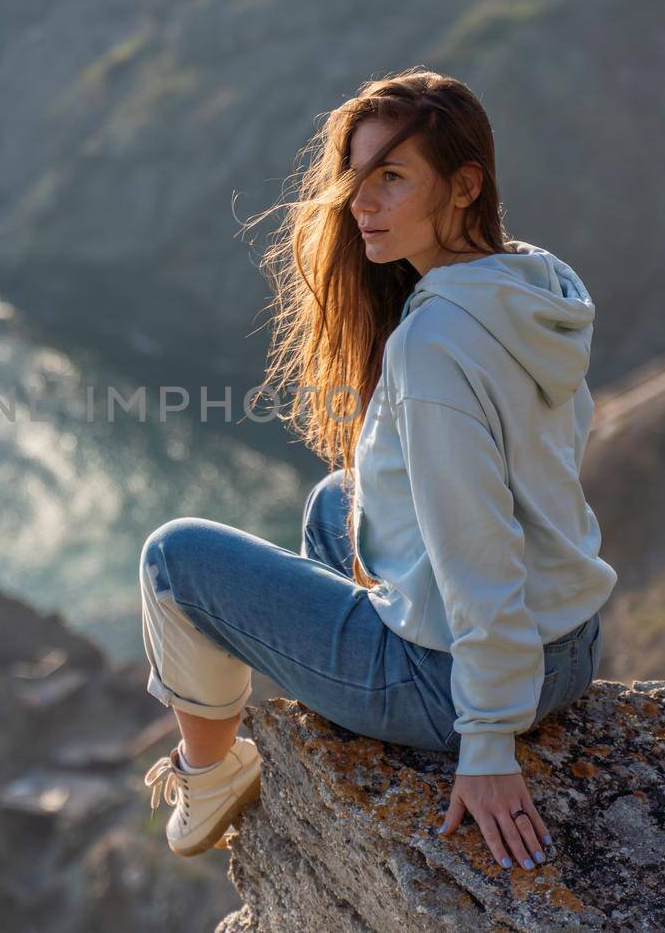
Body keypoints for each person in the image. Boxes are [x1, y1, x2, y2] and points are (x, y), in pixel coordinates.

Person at [138, 68, 617, 870]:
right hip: (568, 643)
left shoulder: (434, 348)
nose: (361, 203)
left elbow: (480, 543)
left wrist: (489, 740)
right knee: (338, 502)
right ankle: (365, 670)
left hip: (459, 684)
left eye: (392, 178)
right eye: (357, 178)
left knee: (173, 557)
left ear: (464, 186)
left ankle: (212, 772)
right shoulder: (533, 284)